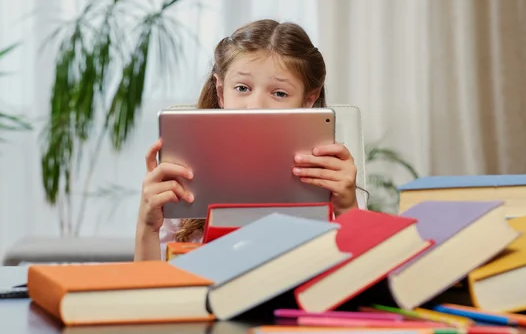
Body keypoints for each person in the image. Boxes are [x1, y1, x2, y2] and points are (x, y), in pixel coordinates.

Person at [135, 19, 359, 261]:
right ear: (221, 92)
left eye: (279, 93)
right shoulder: (186, 173)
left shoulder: (329, 174)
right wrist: (148, 226)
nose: (256, 105)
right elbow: (149, 288)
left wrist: (347, 208)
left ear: (308, 100)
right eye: (242, 88)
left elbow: (361, 281)